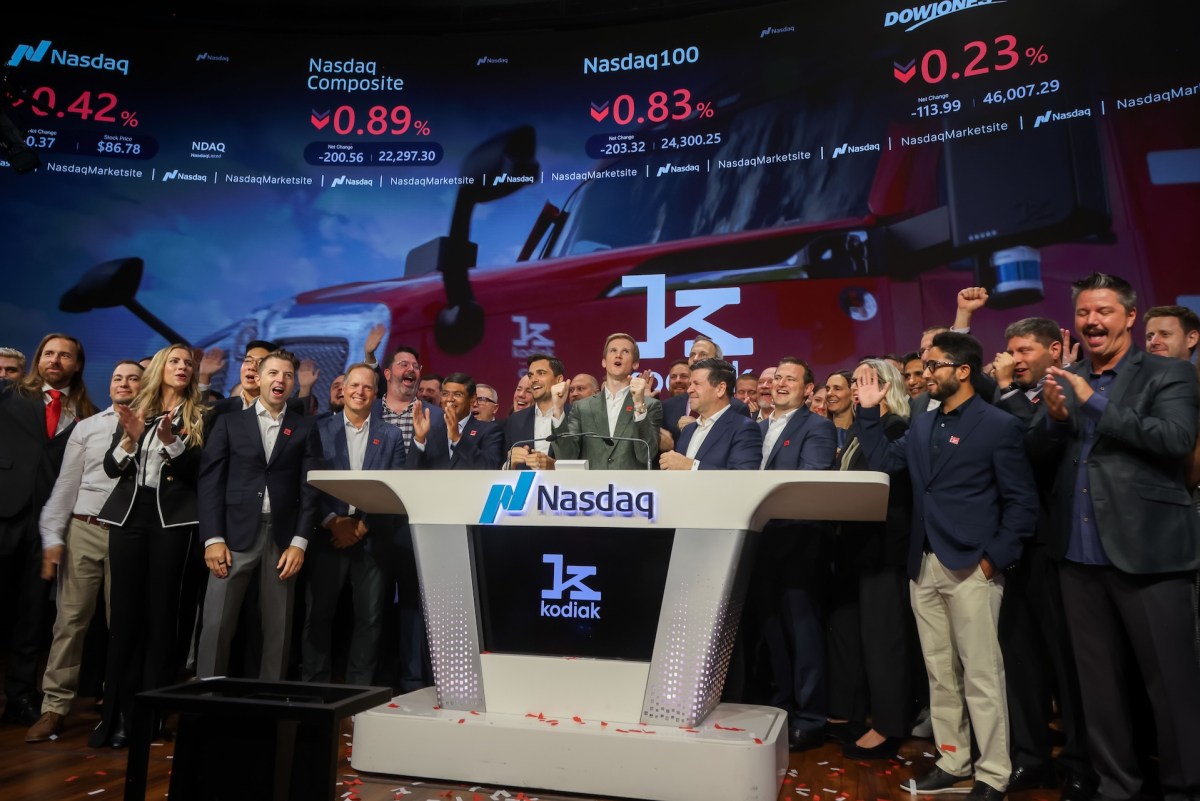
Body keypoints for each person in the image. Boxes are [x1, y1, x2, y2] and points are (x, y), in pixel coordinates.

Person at [1027, 273, 1200, 801]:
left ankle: (1186, 789)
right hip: (1078, 558)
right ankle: (1116, 787)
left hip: (1150, 552)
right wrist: (1054, 419)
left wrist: (1094, 403)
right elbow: (1035, 455)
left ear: (1129, 316)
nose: (1092, 321)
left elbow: (1175, 439)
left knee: (1171, 685)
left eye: (1103, 311)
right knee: (1098, 688)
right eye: (1084, 312)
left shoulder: (1169, 373)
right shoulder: (1068, 375)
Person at [855, 332, 1038, 801]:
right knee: (940, 672)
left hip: (972, 567)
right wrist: (869, 412)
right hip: (924, 563)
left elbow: (1021, 503)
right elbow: (884, 462)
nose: (926, 374)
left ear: (963, 370)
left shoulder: (998, 425)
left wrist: (992, 560)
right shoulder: (922, 424)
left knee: (981, 674)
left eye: (934, 365)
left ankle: (993, 772)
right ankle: (954, 761)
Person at [988, 317, 1096, 799]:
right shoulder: (1005, 397)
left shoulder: (1069, 392)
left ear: (1055, 350)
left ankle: (1080, 764)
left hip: (1059, 548)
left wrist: (1008, 389)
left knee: (1066, 664)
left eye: (1025, 350)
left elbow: (1029, 444)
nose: (1014, 359)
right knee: (1021, 659)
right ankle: (1031, 760)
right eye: (1010, 350)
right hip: (1015, 549)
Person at [90, 345, 206, 748]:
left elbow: (196, 472)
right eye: (175, 361)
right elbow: (111, 468)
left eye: (188, 363)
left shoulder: (201, 414)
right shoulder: (136, 409)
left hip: (172, 521)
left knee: (161, 619)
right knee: (124, 619)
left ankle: (150, 717)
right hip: (129, 519)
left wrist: (171, 441)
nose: (182, 367)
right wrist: (130, 439)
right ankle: (117, 716)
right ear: (160, 367)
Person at [26, 360, 144, 743]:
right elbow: (66, 486)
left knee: (122, 625)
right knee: (70, 621)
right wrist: (53, 536)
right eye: (117, 378)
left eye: (133, 378)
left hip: (128, 533)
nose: (123, 383)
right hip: (84, 528)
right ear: (108, 386)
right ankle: (54, 708)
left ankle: (115, 706)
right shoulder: (88, 427)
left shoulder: (156, 427)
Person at [196, 349, 322, 681]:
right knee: (216, 624)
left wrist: (299, 543)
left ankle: (271, 704)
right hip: (231, 537)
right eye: (273, 373)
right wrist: (212, 538)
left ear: (293, 384)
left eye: (288, 376)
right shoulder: (228, 422)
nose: (281, 380)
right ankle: (205, 700)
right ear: (260, 378)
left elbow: (310, 489)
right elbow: (210, 483)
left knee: (278, 630)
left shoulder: (305, 427)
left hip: (282, 539)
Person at [1, 333, 97, 728]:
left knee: (32, 614)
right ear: (39, 358)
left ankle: (20, 696)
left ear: (77, 364)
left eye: (64, 356)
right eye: (49, 353)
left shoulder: (89, 414)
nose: (55, 360)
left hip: (49, 524)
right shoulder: (7, 394)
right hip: (4, 512)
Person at [825, 358, 916, 760]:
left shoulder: (896, 426)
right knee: (851, 637)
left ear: (888, 387)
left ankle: (889, 725)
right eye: (857, 381)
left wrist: (868, 412)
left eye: (869, 381)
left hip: (884, 550)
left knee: (884, 642)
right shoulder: (859, 430)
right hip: (853, 548)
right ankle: (852, 713)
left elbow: (884, 471)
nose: (859, 387)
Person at [750, 357, 835, 751]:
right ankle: (783, 706)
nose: (780, 384)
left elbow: (809, 482)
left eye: (790, 379)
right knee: (774, 634)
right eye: (777, 377)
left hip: (799, 545)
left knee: (804, 635)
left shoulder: (817, 427)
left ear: (808, 389)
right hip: (761, 544)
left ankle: (811, 718)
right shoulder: (757, 429)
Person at [303, 363, 406, 686]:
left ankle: (358, 693)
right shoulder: (319, 429)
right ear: (343, 389)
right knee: (318, 616)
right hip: (328, 536)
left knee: (370, 619)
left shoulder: (391, 436)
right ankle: (314, 688)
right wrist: (333, 521)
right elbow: (308, 483)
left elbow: (395, 487)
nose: (360, 392)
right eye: (354, 386)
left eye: (367, 387)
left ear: (376, 394)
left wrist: (363, 525)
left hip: (371, 538)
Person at [553, 333, 662, 470]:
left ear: (635, 364)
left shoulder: (650, 405)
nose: (618, 355)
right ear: (604, 361)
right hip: (593, 484)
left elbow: (645, 455)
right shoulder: (582, 407)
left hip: (631, 484)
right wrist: (558, 409)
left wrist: (639, 404)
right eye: (613, 350)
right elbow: (567, 457)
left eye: (625, 351)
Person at [660, 358, 760, 470]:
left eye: (696, 384)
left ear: (720, 389)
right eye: (690, 384)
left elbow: (743, 476)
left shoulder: (744, 429)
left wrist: (690, 466)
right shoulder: (688, 430)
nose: (689, 390)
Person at [409, 372, 505, 470]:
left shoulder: (490, 430)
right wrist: (419, 439)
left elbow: (490, 467)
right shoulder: (431, 430)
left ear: (472, 398)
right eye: (445, 394)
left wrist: (457, 438)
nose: (450, 399)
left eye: (457, 394)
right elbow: (411, 472)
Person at [504, 354, 567, 470]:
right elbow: (499, 470)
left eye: (541, 373)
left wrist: (554, 466)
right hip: (524, 482)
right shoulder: (515, 420)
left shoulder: (576, 415)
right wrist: (509, 463)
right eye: (530, 375)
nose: (533, 380)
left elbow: (583, 462)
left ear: (558, 380)